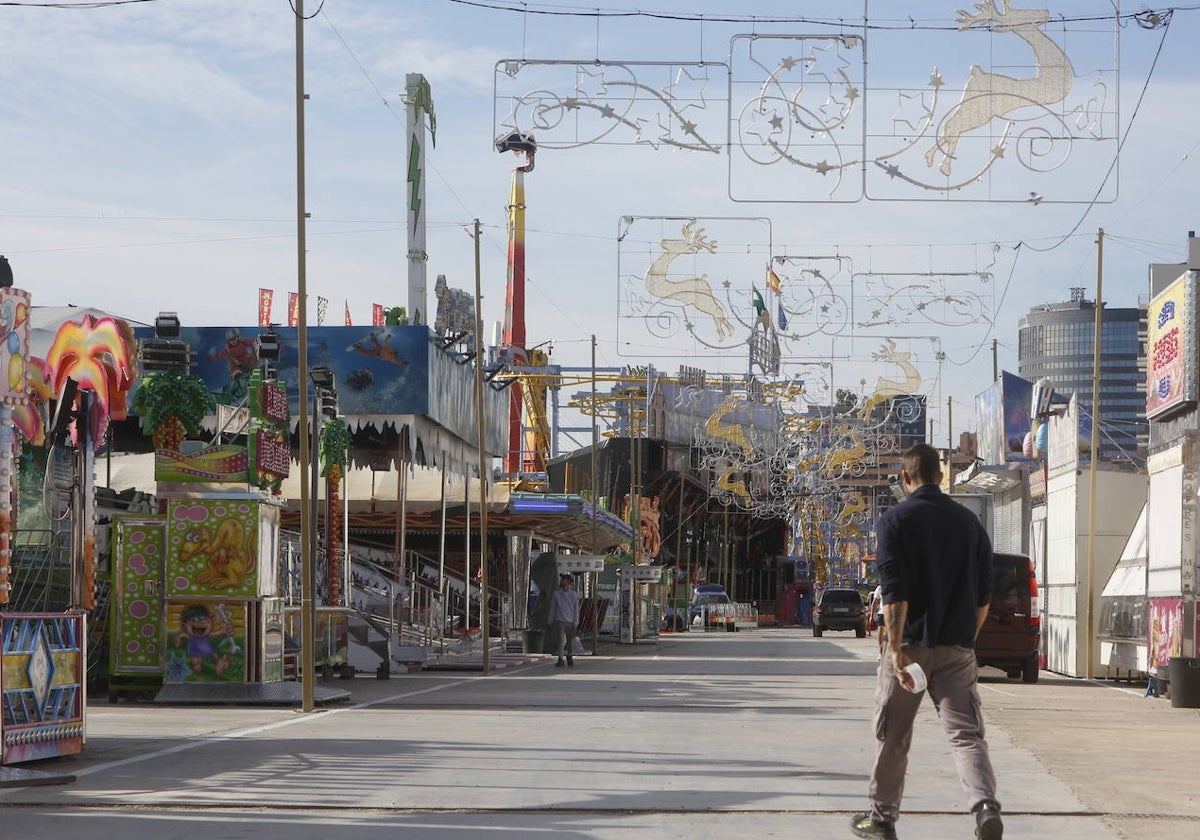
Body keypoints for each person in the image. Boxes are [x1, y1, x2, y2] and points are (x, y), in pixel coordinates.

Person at [851, 444, 1003, 840]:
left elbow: (895, 593)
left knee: (894, 735)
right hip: (957, 649)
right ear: (940, 476)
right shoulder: (970, 524)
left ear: (906, 478)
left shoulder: (893, 521)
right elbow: (984, 597)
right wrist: (965, 640)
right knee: (966, 735)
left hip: (910, 647)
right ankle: (985, 806)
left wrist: (897, 651)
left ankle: (881, 821)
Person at [547, 573, 581, 668]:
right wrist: (550, 621)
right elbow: (553, 608)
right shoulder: (556, 594)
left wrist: (576, 621)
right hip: (560, 620)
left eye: (564, 579)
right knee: (561, 640)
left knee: (570, 642)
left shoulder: (573, 595)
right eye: (561, 579)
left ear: (568, 582)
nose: (561, 581)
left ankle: (569, 656)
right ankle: (560, 658)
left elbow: (576, 610)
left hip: (570, 621)